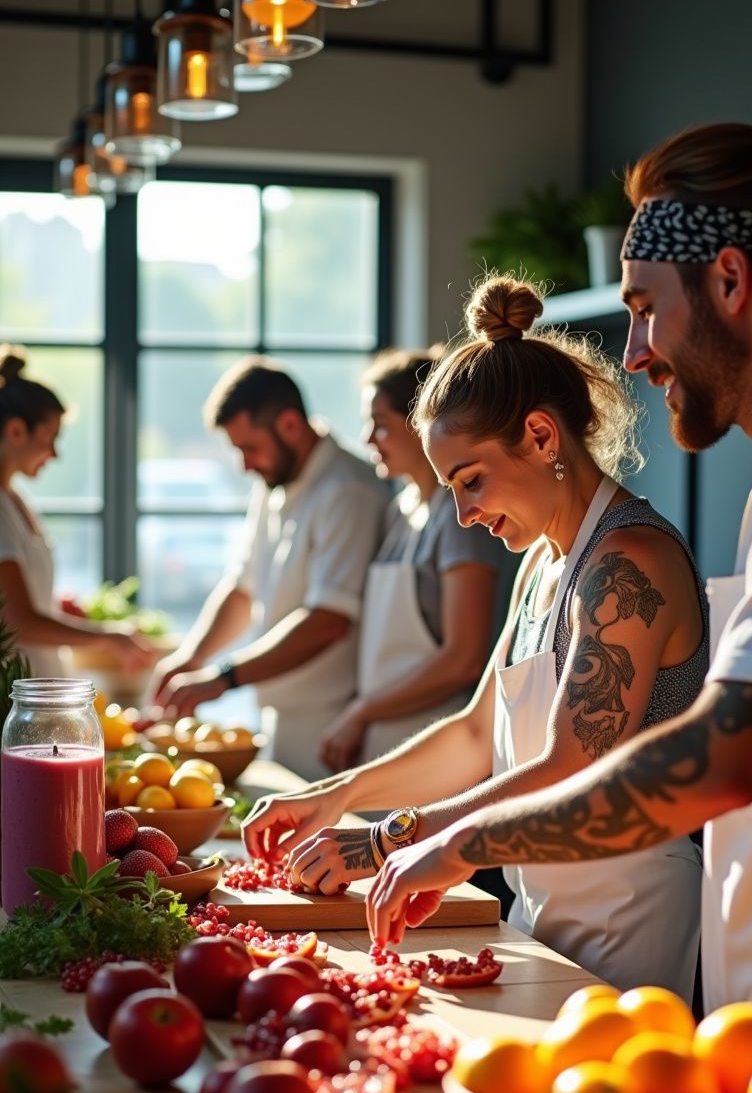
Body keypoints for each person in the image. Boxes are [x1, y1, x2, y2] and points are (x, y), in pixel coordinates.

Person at [361, 84, 752, 1048]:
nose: (637, 353)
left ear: (732, 282)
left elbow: (724, 759)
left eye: (646, 308)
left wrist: (445, 839)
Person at [243, 277, 708, 1000]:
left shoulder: (626, 564)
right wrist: (337, 796)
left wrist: (390, 838)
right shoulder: (543, 562)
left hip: (631, 920)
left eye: (471, 481)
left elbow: (569, 765)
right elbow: (474, 733)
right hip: (543, 910)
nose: (462, 514)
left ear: (542, 436)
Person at [150, 358, 388, 781]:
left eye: (249, 448)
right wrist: (192, 657)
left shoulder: (348, 491)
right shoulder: (274, 482)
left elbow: (328, 621)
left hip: (332, 726)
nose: (244, 465)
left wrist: (222, 679)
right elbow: (243, 588)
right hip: (277, 714)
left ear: (291, 425)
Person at [319, 348, 511, 774]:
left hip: (437, 745)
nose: (368, 439)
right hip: (384, 738)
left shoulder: (459, 520)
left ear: (422, 426)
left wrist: (363, 710)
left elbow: (463, 659)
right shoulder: (399, 509)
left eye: (380, 425)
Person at [0, 348, 156, 678]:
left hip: (35, 693)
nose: (54, 454)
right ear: (16, 430)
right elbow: (17, 619)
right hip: (15, 699)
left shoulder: (15, 500)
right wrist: (106, 636)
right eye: (50, 437)